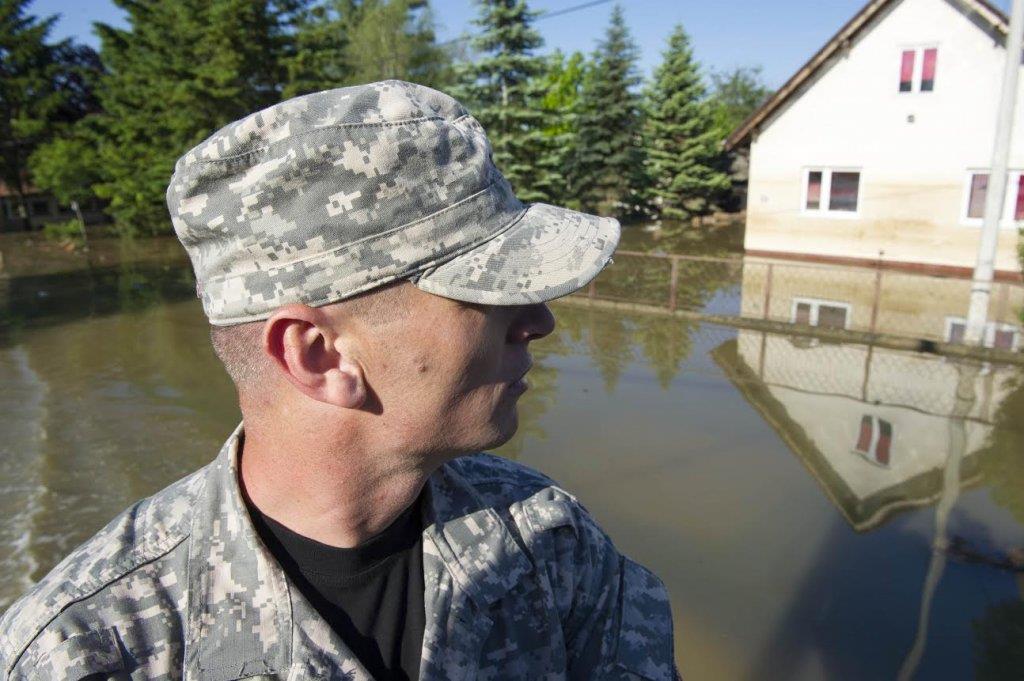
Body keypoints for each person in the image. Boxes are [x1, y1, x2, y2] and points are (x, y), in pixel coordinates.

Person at [0, 80, 676, 680]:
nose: (538, 320)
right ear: (320, 356)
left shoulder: (551, 543)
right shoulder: (89, 651)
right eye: (487, 290)